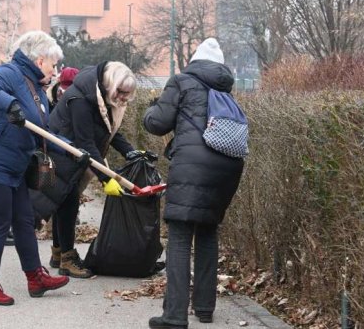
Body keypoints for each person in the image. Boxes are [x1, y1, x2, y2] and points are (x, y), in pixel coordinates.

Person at [0, 30, 71, 306]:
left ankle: (35, 277)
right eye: (53, 65)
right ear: (40, 59)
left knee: (23, 221)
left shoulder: (36, 89)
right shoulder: (10, 73)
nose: (55, 71)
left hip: (12, 167)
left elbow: (43, 132)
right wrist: (10, 105)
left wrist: (73, 149)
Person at [142, 38, 244, 329]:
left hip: (192, 167)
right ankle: (204, 308)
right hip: (226, 167)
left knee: (180, 234)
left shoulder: (181, 82)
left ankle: (174, 314)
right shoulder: (224, 89)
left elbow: (158, 123)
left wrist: (150, 109)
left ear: (195, 61)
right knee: (208, 232)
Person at [47, 61, 140, 278]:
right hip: (63, 151)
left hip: (73, 151)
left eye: (128, 94)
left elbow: (109, 130)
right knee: (67, 203)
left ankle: (58, 253)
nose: (124, 98)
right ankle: (67, 259)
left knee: (64, 202)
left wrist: (130, 152)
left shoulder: (101, 94)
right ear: (111, 85)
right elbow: (85, 142)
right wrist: (106, 179)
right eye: (122, 92)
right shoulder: (81, 99)